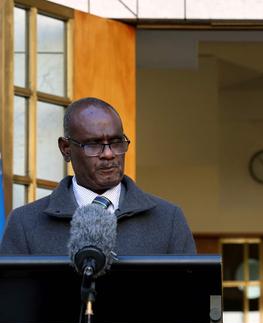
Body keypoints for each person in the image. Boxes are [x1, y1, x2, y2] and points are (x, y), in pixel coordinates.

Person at [0, 97, 196, 255]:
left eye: (116, 142)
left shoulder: (168, 220)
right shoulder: (24, 224)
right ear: (66, 149)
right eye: (93, 144)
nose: (109, 153)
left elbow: (193, 299)